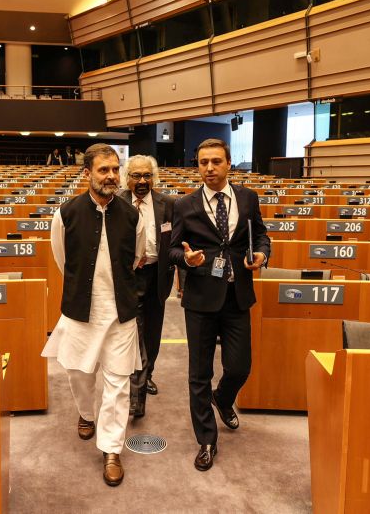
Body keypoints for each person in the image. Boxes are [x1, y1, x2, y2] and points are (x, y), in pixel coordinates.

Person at [42, 143, 145, 487]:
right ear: (87, 174)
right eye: (104, 170)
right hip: (80, 310)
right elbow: (61, 258)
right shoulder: (66, 213)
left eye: (116, 169)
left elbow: (136, 258)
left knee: (117, 383)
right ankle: (86, 413)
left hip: (121, 313)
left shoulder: (132, 215)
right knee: (78, 373)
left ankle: (112, 448)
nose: (112, 176)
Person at [168, 138, 271, 472]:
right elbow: (172, 251)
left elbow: (261, 235)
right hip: (200, 299)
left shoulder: (247, 198)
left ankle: (223, 398)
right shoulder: (184, 205)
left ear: (229, 163)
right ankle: (207, 440)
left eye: (215, 161)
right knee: (199, 373)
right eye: (202, 162)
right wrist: (186, 258)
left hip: (237, 295)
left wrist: (262, 254)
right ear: (197, 166)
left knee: (240, 367)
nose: (209, 168)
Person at [118, 155, 175, 418]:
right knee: (134, 334)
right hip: (129, 278)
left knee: (152, 334)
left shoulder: (169, 205)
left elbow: (176, 244)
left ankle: (147, 373)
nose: (142, 181)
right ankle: (136, 393)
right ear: (126, 177)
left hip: (157, 277)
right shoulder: (116, 202)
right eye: (136, 176)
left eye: (147, 176)